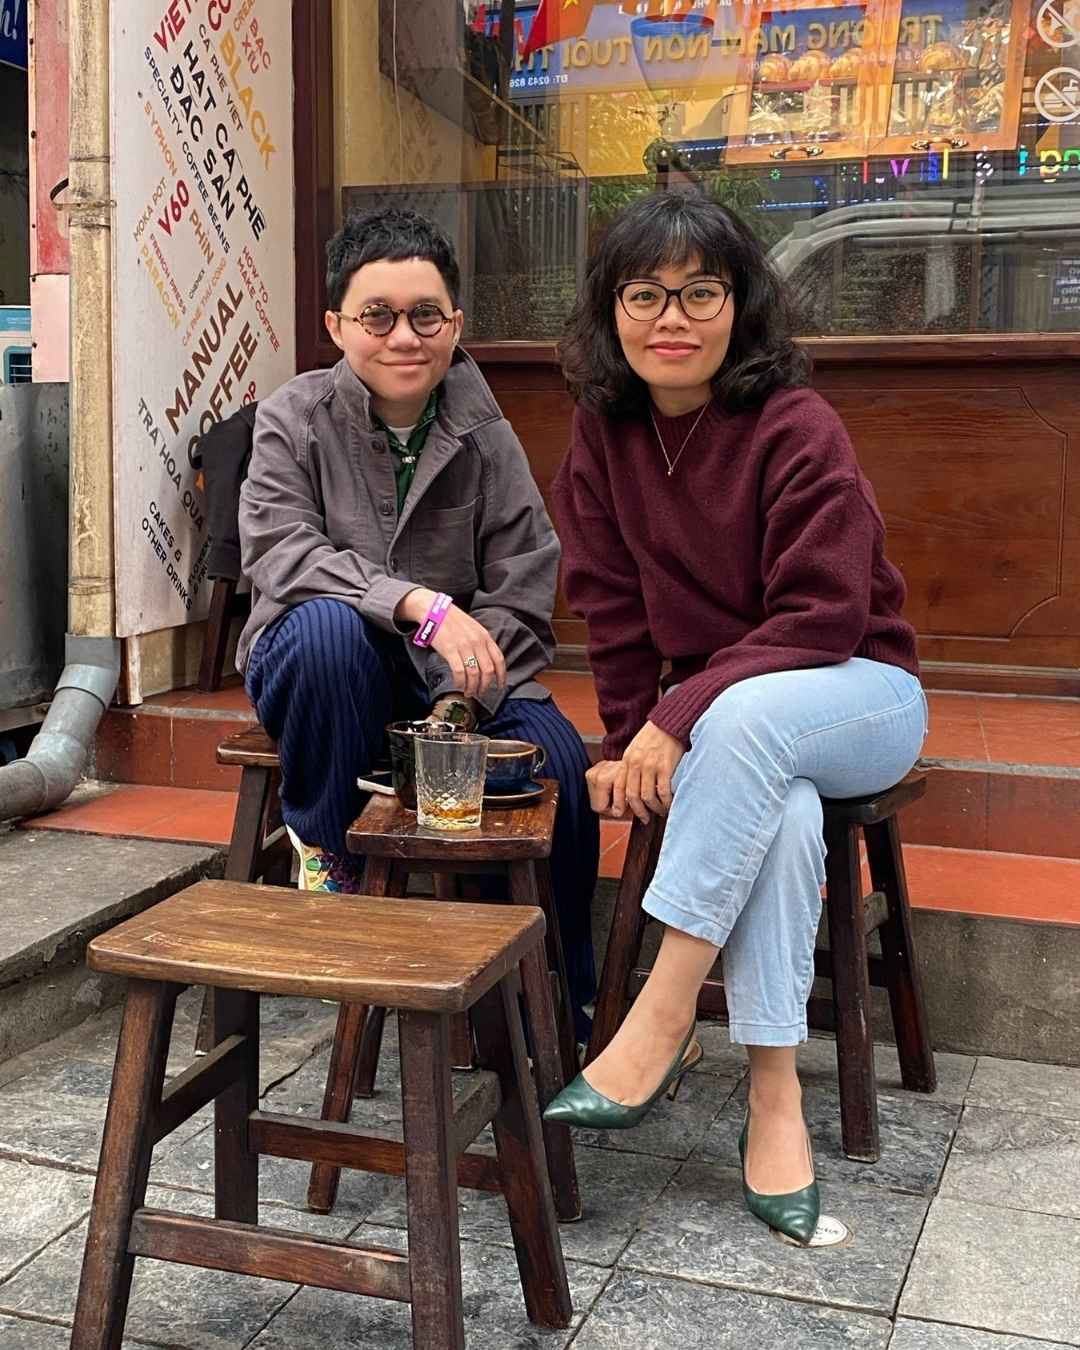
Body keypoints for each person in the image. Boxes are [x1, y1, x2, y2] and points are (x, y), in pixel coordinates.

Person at [542, 192, 927, 1244]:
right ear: (611, 312)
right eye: (646, 293)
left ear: (739, 304)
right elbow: (611, 607)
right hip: (737, 731)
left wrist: (674, 715)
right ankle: (775, 1100)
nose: (674, 316)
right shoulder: (604, 436)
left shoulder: (795, 424)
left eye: (701, 291)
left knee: (748, 727)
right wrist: (628, 738)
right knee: (784, 812)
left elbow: (827, 611)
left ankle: (658, 1021)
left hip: (860, 690)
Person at [236, 207, 599, 1038]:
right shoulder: (291, 417)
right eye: (378, 316)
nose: (405, 337)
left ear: (456, 324)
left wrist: (454, 700)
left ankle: (562, 995)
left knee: (564, 765)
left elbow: (522, 582)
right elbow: (281, 553)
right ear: (335, 325)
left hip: (451, 682)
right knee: (329, 634)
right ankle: (333, 857)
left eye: (425, 316)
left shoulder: (485, 433)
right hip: (323, 669)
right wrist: (421, 607)